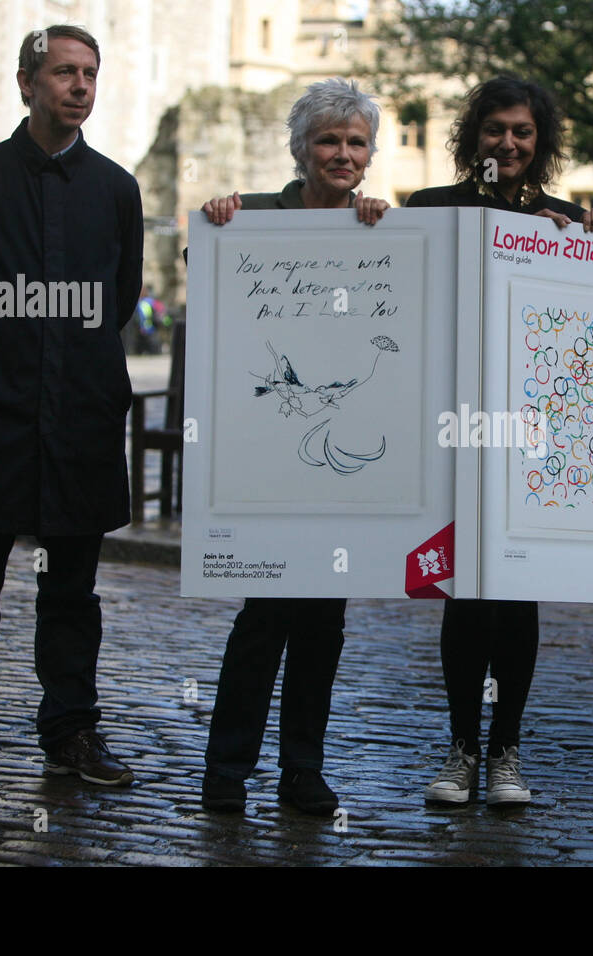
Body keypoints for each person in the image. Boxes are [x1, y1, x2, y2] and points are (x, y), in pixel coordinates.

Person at [0, 24, 143, 788]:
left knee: (72, 591)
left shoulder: (116, 189)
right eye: (64, 73)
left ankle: (71, 730)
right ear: (26, 83)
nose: (79, 86)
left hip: (80, 417)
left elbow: (119, 299)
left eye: (90, 74)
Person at [407, 76, 593, 807]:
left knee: (518, 592)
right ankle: (462, 748)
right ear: (474, 137)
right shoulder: (428, 210)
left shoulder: (565, 222)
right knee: (465, 594)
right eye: (496, 129)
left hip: (535, 433)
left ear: (541, 140)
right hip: (457, 428)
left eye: (523, 131)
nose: (509, 143)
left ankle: (506, 752)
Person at [195, 78, 389, 816]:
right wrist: (217, 223)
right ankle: (227, 767)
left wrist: (384, 227)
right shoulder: (254, 217)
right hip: (269, 452)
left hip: (340, 455)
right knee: (263, 617)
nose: (343, 154)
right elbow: (210, 281)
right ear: (301, 148)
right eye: (329, 141)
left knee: (324, 623)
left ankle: (302, 769)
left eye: (356, 142)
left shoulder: (382, 227)